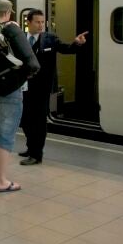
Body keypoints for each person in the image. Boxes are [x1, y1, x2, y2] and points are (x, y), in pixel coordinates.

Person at [0, 0, 39, 193]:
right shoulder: (12, 29)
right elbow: (33, 64)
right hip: (10, 92)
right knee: (5, 136)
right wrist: (20, 77)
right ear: (9, 12)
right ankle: (1, 181)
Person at [19, 9, 87, 165]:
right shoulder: (21, 38)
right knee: (25, 118)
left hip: (42, 87)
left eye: (43, 22)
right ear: (28, 22)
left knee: (38, 120)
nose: (41, 25)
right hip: (24, 86)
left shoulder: (50, 38)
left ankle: (36, 154)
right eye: (37, 22)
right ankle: (30, 147)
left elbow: (66, 49)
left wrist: (77, 43)